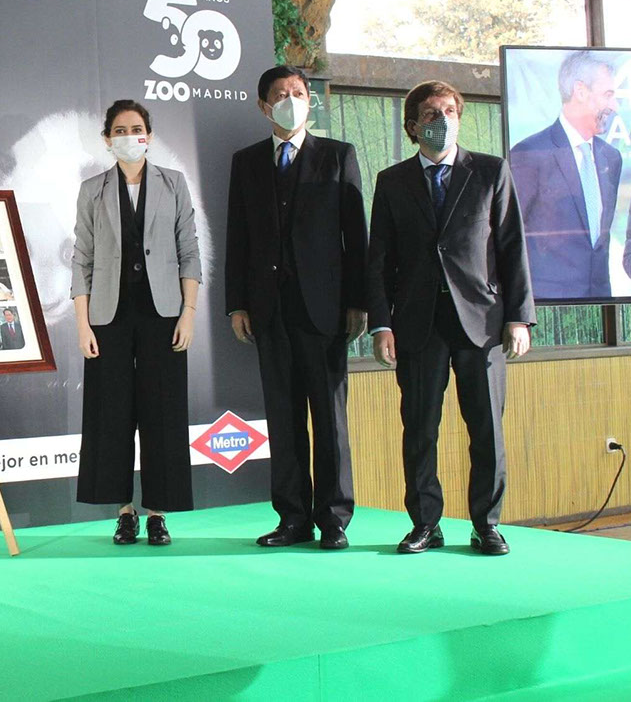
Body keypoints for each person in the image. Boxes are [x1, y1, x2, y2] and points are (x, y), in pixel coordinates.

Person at [367, 81, 535, 557]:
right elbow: (378, 260)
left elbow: (511, 248)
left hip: (481, 323)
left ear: (459, 117)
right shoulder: (392, 181)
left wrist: (519, 318)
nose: (440, 120)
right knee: (419, 428)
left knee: (486, 429)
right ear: (412, 125)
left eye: (447, 111)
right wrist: (382, 324)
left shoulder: (489, 171)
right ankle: (425, 523)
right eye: (429, 114)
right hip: (417, 325)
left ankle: (487, 524)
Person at [225, 65, 367, 550]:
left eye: (299, 92)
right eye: (281, 94)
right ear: (264, 107)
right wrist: (237, 304)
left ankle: (333, 518)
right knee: (283, 418)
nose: (291, 99)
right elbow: (237, 238)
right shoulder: (245, 163)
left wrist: (357, 302)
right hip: (268, 311)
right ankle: (292, 518)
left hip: (325, 310)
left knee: (329, 417)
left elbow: (357, 238)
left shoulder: (338, 156)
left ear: (310, 101)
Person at [71, 99, 201, 547]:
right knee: (111, 412)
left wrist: (188, 311)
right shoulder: (92, 189)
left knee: (163, 412)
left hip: (163, 314)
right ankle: (123, 511)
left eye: (138, 128)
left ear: (149, 134)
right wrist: (83, 324)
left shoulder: (174, 183)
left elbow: (190, 250)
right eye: (120, 129)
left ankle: (158, 513)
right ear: (107, 139)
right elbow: (81, 259)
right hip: (108, 316)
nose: (130, 135)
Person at [509, 50, 622, 299]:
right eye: (608, 95)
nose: (614, 106)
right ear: (580, 91)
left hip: (601, 302)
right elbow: (511, 234)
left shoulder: (611, 158)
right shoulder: (531, 152)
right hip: (547, 306)